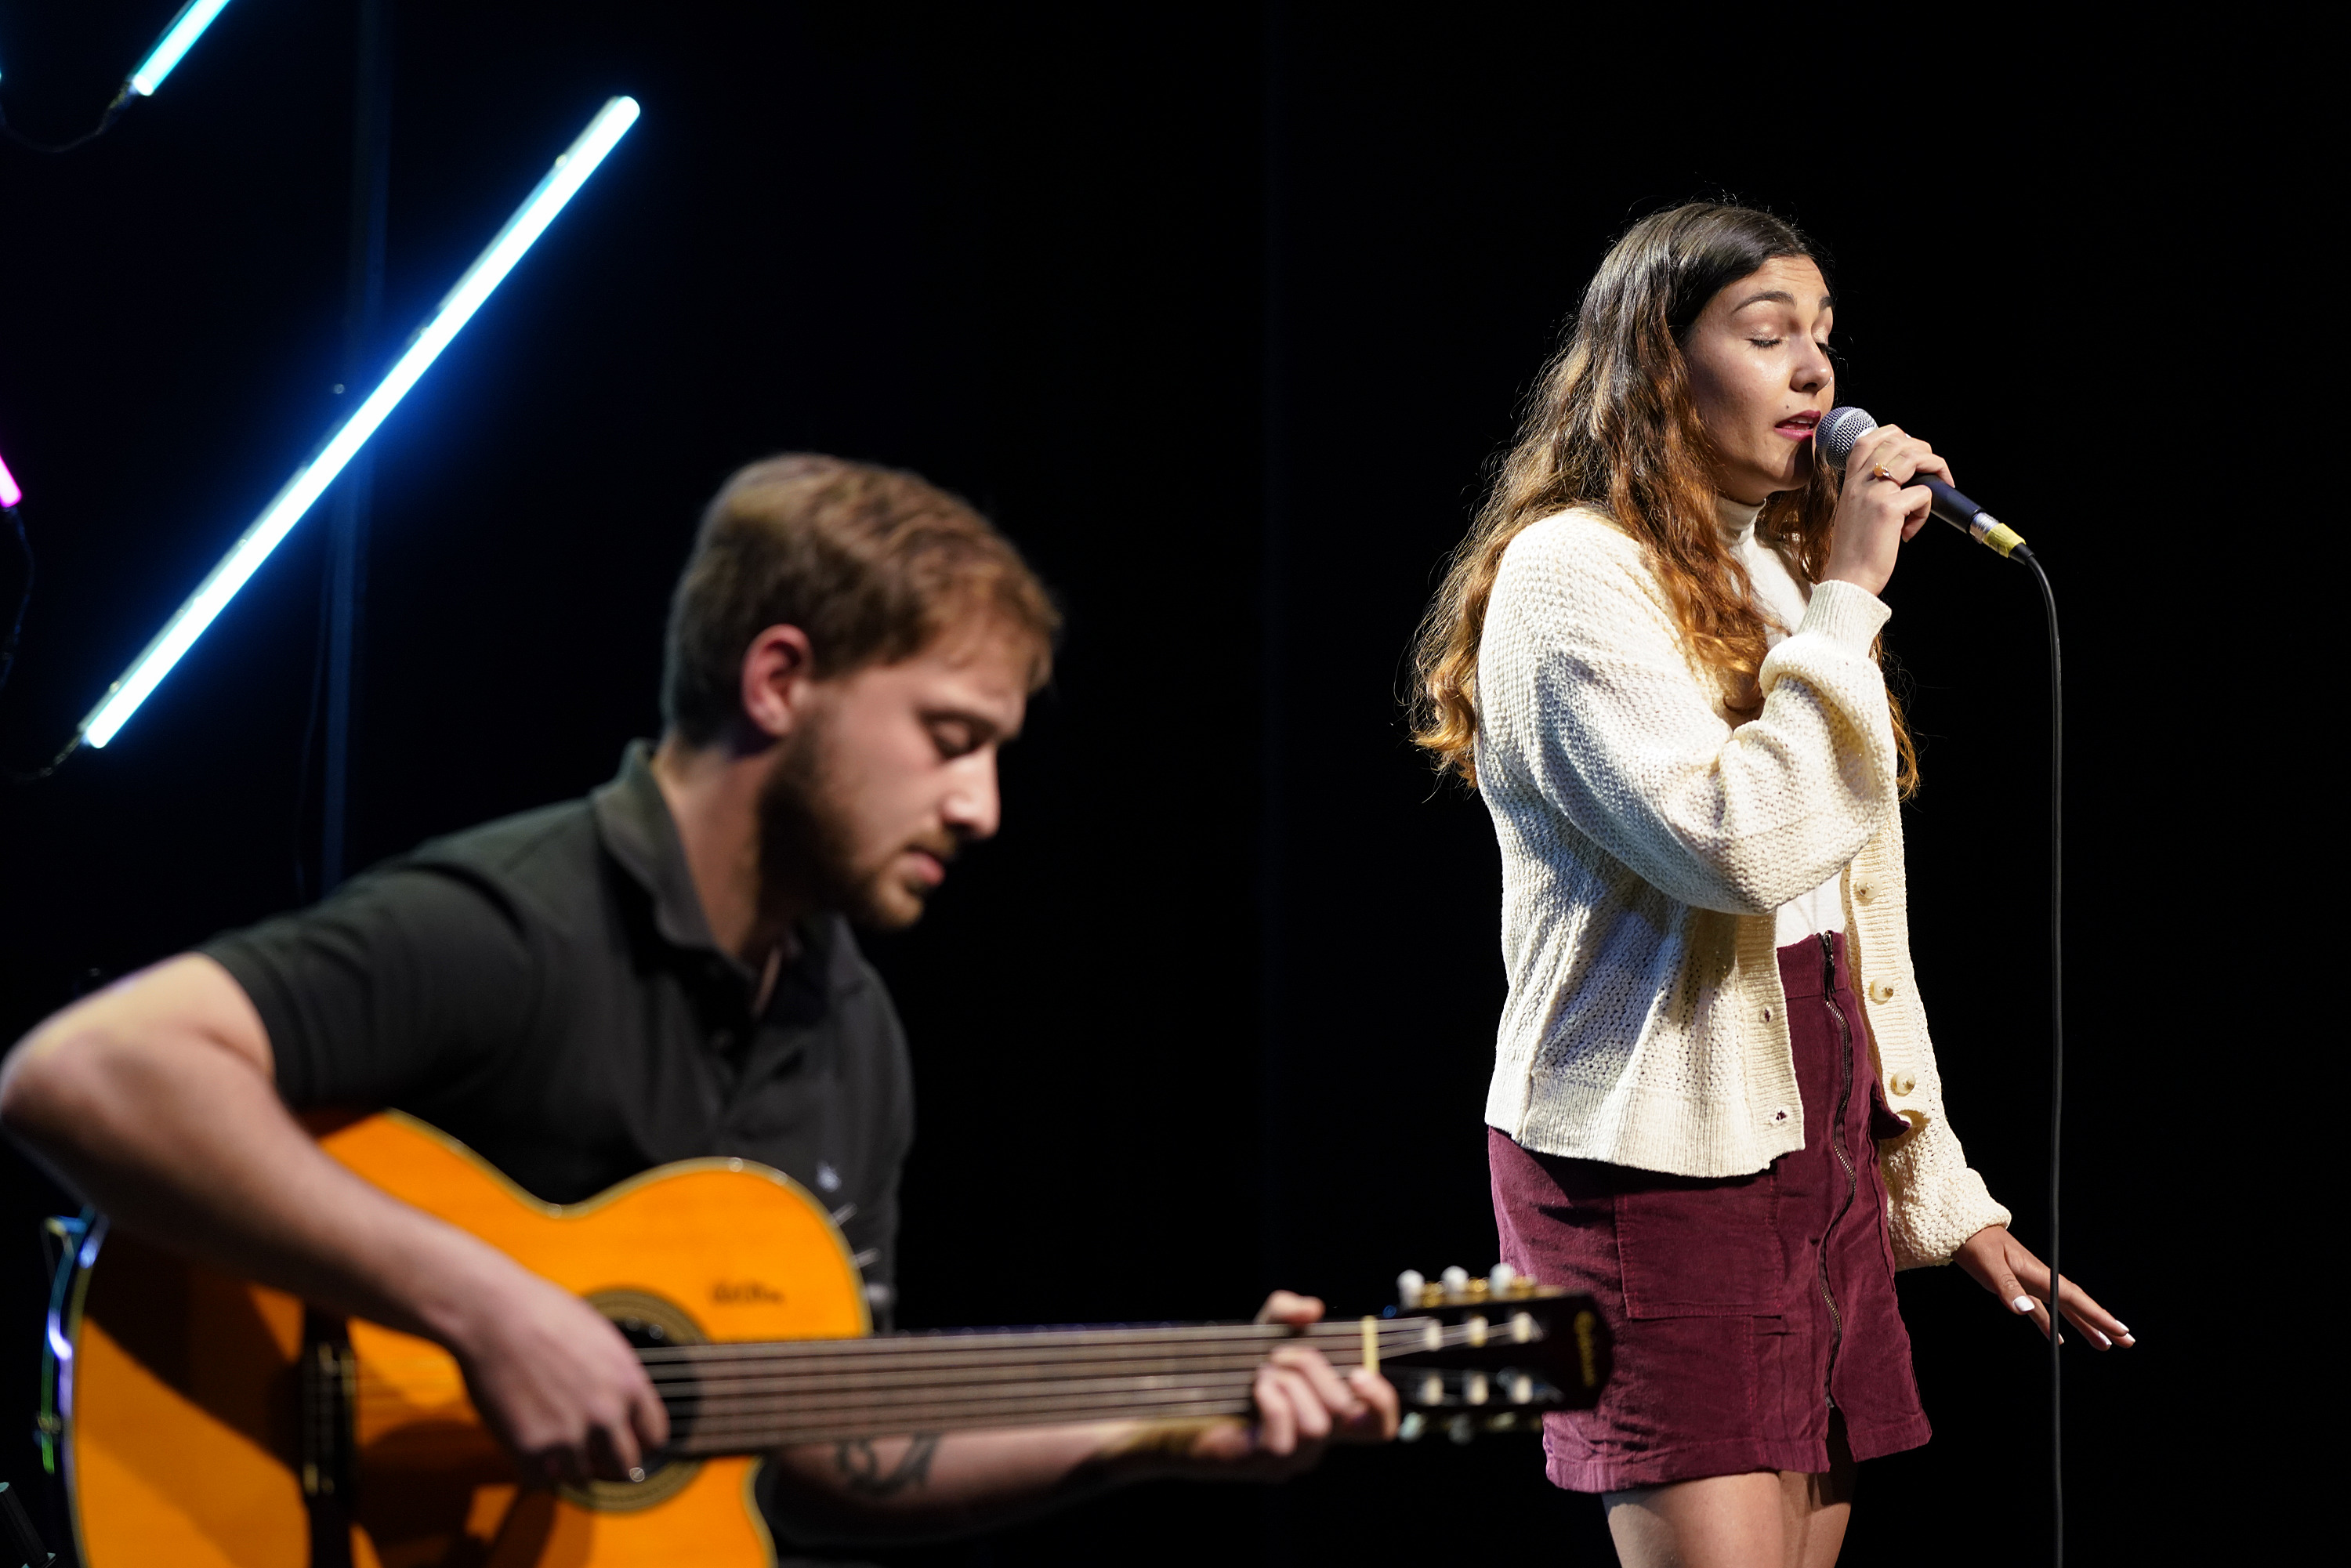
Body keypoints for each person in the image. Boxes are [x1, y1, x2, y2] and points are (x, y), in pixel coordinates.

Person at [1, 454, 1395, 1552]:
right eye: (948, 739)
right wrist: (489, 1304)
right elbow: (84, 1072)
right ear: (781, 679)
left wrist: (1158, 1427)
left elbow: (830, 1457)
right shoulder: (523, 920)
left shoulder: (851, 1028)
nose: (980, 808)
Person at [1405, 204, 2129, 1568]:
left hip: (1817, 1123)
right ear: (1659, 365)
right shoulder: (1576, 573)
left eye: (1824, 337)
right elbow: (1738, 847)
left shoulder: (1771, 576)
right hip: (1652, 1152)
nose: (1816, 372)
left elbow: (1852, 926)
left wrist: (1940, 1190)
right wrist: (1854, 593)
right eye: (1766, 333)